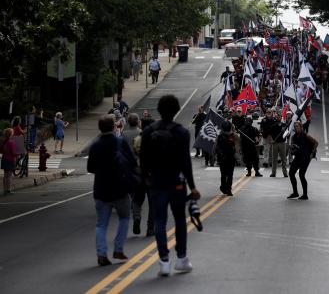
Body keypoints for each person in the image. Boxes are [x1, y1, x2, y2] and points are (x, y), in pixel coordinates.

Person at [140, 95, 200, 276]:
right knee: (180, 220)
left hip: (157, 182)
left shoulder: (149, 131)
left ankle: (164, 260)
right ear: (177, 111)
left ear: (158, 110)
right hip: (177, 183)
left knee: (160, 221)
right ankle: (181, 258)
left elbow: (143, 159)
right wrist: (192, 186)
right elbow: (185, 162)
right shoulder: (181, 132)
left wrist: (146, 179)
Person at [87, 114, 134, 266]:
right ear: (114, 127)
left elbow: (90, 168)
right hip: (120, 188)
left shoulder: (94, 145)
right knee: (125, 217)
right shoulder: (120, 142)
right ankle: (118, 248)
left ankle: (101, 254)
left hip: (101, 189)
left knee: (101, 224)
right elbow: (132, 161)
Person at [287, 121, 318, 200]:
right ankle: (295, 192)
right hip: (298, 157)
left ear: (301, 127)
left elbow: (316, 143)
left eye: (298, 126)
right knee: (291, 173)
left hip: (305, 158)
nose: (296, 128)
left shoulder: (305, 135)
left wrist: (311, 154)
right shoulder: (293, 137)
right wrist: (292, 148)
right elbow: (292, 147)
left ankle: (305, 195)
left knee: (301, 175)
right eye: (295, 126)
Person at [214, 121, 236, 196]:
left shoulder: (219, 136)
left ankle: (224, 188)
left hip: (222, 158)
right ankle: (228, 189)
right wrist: (233, 129)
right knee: (229, 174)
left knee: (224, 174)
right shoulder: (233, 136)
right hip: (229, 158)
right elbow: (239, 141)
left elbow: (214, 147)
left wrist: (213, 156)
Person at [1, 128, 16, 195]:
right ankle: (8, 190)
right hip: (10, 160)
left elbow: (1, 150)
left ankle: (4, 189)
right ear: (11, 134)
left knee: (5, 175)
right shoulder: (11, 142)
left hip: (4, 159)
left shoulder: (4, 142)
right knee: (9, 175)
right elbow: (13, 152)